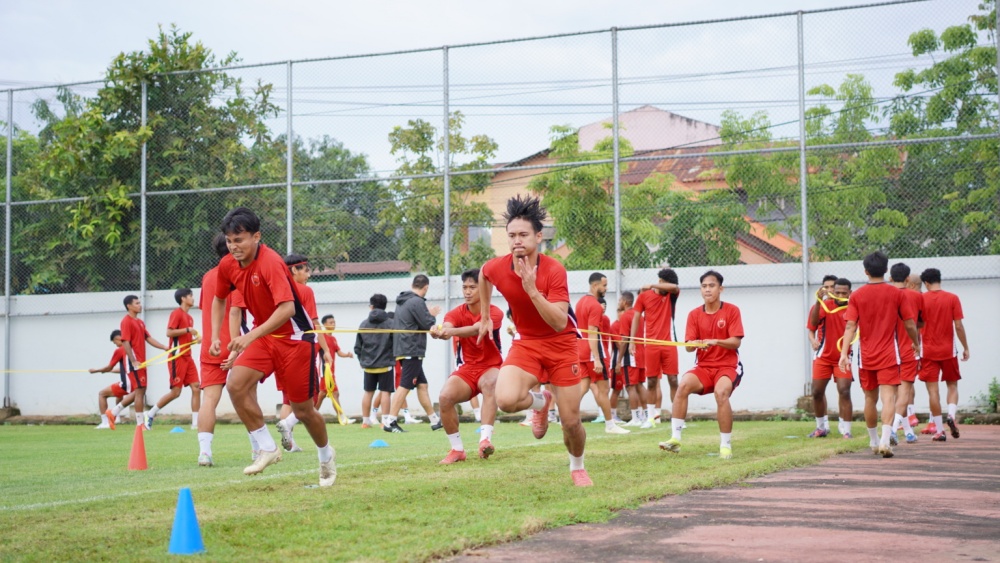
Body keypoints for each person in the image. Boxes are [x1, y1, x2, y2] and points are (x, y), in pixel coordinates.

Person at [209, 207, 335, 487]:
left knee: (303, 411)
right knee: (235, 385)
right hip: (266, 339)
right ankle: (267, 447)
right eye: (229, 240)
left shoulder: (271, 263)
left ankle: (326, 455)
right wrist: (217, 337)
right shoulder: (228, 265)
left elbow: (288, 309)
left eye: (239, 240)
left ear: (256, 237)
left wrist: (249, 336)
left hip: (295, 341)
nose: (233, 246)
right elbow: (220, 299)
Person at [478, 195, 592, 487]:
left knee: (570, 422)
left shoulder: (554, 270)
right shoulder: (498, 266)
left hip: (561, 346)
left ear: (538, 237)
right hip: (526, 343)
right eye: (512, 235)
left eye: (523, 235)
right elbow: (483, 275)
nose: (517, 240)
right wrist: (484, 316)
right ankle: (541, 402)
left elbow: (558, 320)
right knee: (505, 399)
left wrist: (531, 289)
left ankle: (577, 467)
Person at [837, 252, 919, 459]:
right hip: (889, 354)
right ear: (886, 270)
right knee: (888, 397)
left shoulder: (856, 295)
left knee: (869, 398)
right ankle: (885, 440)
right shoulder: (897, 294)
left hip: (866, 355)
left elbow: (850, 325)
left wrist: (844, 353)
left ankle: (873, 441)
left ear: (865, 271)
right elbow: (909, 323)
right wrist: (915, 342)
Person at [659, 270, 743, 459]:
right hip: (704, 367)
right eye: (704, 286)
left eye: (711, 286)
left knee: (721, 393)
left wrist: (716, 341)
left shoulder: (732, 310)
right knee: (683, 386)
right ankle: (675, 439)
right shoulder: (694, 315)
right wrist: (693, 344)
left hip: (727, 366)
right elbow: (689, 347)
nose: (707, 290)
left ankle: (725, 445)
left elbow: (736, 342)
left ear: (720, 289)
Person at [430, 268, 504, 463]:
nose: (467, 291)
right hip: (467, 370)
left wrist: (451, 332)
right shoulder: (456, 313)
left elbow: (476, 329)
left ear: (485, 290)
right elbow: (447, 326)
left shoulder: (495, 313)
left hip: (491, 367)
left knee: (491, 385)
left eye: (473, 287)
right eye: (465, 287)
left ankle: (485, 441)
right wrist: (438, 330)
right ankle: (457, 450)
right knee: (445, 397)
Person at [274, 254, 334, 452]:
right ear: (294, 270)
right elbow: (315, 324)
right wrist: (326, 349)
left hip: (278, 350)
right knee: (313, 395)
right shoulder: (304, 291)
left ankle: (289, 443)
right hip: (301, 350)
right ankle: (290, 423)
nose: (308, 274)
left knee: (287, 398)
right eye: (305, 270)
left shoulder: (276, 289)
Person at [195, 233, 237, 467]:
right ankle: (257, 449)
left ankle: (204, 453)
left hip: (210, 348)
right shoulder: (239, 274)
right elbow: (235, 311)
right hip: (235, 345)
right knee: (247, 396)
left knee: (209, 400)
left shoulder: (208, 277)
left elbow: (207, 307)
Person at [384, 275, 442, 432]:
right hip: (411, 349)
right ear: (426, 288)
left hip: (405, 348)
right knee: (405, 385)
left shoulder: (403, 301)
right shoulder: (417, 301)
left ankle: (434, 420)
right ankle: (390, 421)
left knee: (422, 385)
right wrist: (432, 315)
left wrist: (428, 314)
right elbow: (427, 323)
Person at [918, 267, 969, 442]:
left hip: (928, 351)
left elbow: (915, 325)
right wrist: (966, 347)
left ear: (925, 283)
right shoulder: (952, 298)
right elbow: (959, 326)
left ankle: (939, 431)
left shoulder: (921, 299)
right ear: (939, 279)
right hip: (948, 350)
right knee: (952, 386)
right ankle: (952, 415)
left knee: (933, 391)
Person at [576, 272, 628, 435]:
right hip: (593, 354)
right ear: (595, 285)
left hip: (581, 351)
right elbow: (592, 333)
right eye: (604, 285)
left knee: (583, 387)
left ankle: (567, 417)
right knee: (603, 390)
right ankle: (610, 424)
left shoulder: (580, 302)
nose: (606, 288)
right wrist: (597, 359)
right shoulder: (594, 305)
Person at [629, 269, 681, 427]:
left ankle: (677, 417)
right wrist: (632, 341)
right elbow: (636, 318)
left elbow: (676, 287)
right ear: (660, 281)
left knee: (673, 380)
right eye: (663, 283)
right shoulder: (644, 296)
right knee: (651, 381)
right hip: (651, 345)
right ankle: (651, 418)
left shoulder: (671, 295)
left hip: (669, 344)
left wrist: (652, 284)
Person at [146, 288, 201, 430]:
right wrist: (188, 330)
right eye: (190, 296)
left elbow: (183, 338)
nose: (193, 298)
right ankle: (150, 413)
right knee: (175, 392)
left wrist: (195, 340)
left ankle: (195, 423)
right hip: (177, 357)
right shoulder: (176, 313)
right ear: (183, 298)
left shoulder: (189, 317)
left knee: (196, 387)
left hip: (188, 357)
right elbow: (169, 332)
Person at [806, 278, 854, 439]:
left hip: (843, 357)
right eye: (837, 292)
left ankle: (846, 430)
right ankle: (821, 427)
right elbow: (812, 325)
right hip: (823, 356)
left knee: (844, 390)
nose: (840, 295)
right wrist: (819, 301)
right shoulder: (825, 305)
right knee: (817, 392)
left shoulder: (854, 307)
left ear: (850, 293)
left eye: (844, 293)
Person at [119, 295, 169, 430]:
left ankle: (119, 414)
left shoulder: (140, 322)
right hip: (135, 362)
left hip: (142, 362)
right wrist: (133, 361)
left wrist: (164, 347)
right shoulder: (126, 321)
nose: (140, 305)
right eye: (137, 303)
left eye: (139, 303)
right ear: (129, 306)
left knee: (142, 390)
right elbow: (125, 342)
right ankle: (140, 424)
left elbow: (149, 338)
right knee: (139, 391)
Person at [889, 263, 922, 444]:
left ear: (891, 278)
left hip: (888, 350)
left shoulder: (885, 295)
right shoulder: (916, 296)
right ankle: (893, 430)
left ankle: (908, 431)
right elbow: (920, 323)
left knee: (894, 392)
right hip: (909, 349)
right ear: (908, 279)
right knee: (904, 393)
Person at [356, 293, 396, 429]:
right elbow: (396, 343)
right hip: (385, 364)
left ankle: (365, 422)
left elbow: (357, 347)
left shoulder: (363, 324)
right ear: (385, 306)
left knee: (368, 392)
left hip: (368, 365)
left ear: (371, 306)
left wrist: (362, 360)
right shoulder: (391, 323)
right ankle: (385, 421)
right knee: (385, 392)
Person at [616, 291, 650, 428]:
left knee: (630, 386)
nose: (618, 302)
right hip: (642, 353)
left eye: (619, 300)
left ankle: (636, 418)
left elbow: (624, 340)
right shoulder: (639, 316)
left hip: (631, 355)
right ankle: (647, 415)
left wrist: (618, 360)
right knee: (640, 385)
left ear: (625, 302)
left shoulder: (626, 317)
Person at [91, 329, 135, 430]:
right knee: (118, 394)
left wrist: (96, 370)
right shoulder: (133, 348)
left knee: (102, 393)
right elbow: (125, 369)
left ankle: (105, 422)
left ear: (118, 338)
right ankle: (117, 418)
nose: (115, 345)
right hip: (136, 382)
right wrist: (108, 371)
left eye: (115, 342)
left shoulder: (120, 350)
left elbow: (109, 367)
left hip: (127, 384)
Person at [317, 314, 354, 417]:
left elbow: (338, 352)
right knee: (335, 394)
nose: (333, 325)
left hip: (331, 371)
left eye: (334, 322)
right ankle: (341, 417)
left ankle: (310, 415)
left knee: (322, 395)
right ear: (324, 325)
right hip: (325, 371)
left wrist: (347, 355)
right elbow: (315, 351)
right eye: (331, 323)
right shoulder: (321, 337)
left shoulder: (333, 338)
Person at [808, 275, 839, 353]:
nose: (829, 290)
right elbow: (811, 329)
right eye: (826, 287)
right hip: (822, 353)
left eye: (832, 287)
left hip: (841, 352)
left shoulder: (847, 306)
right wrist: (813, 341)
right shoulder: (817, 307)